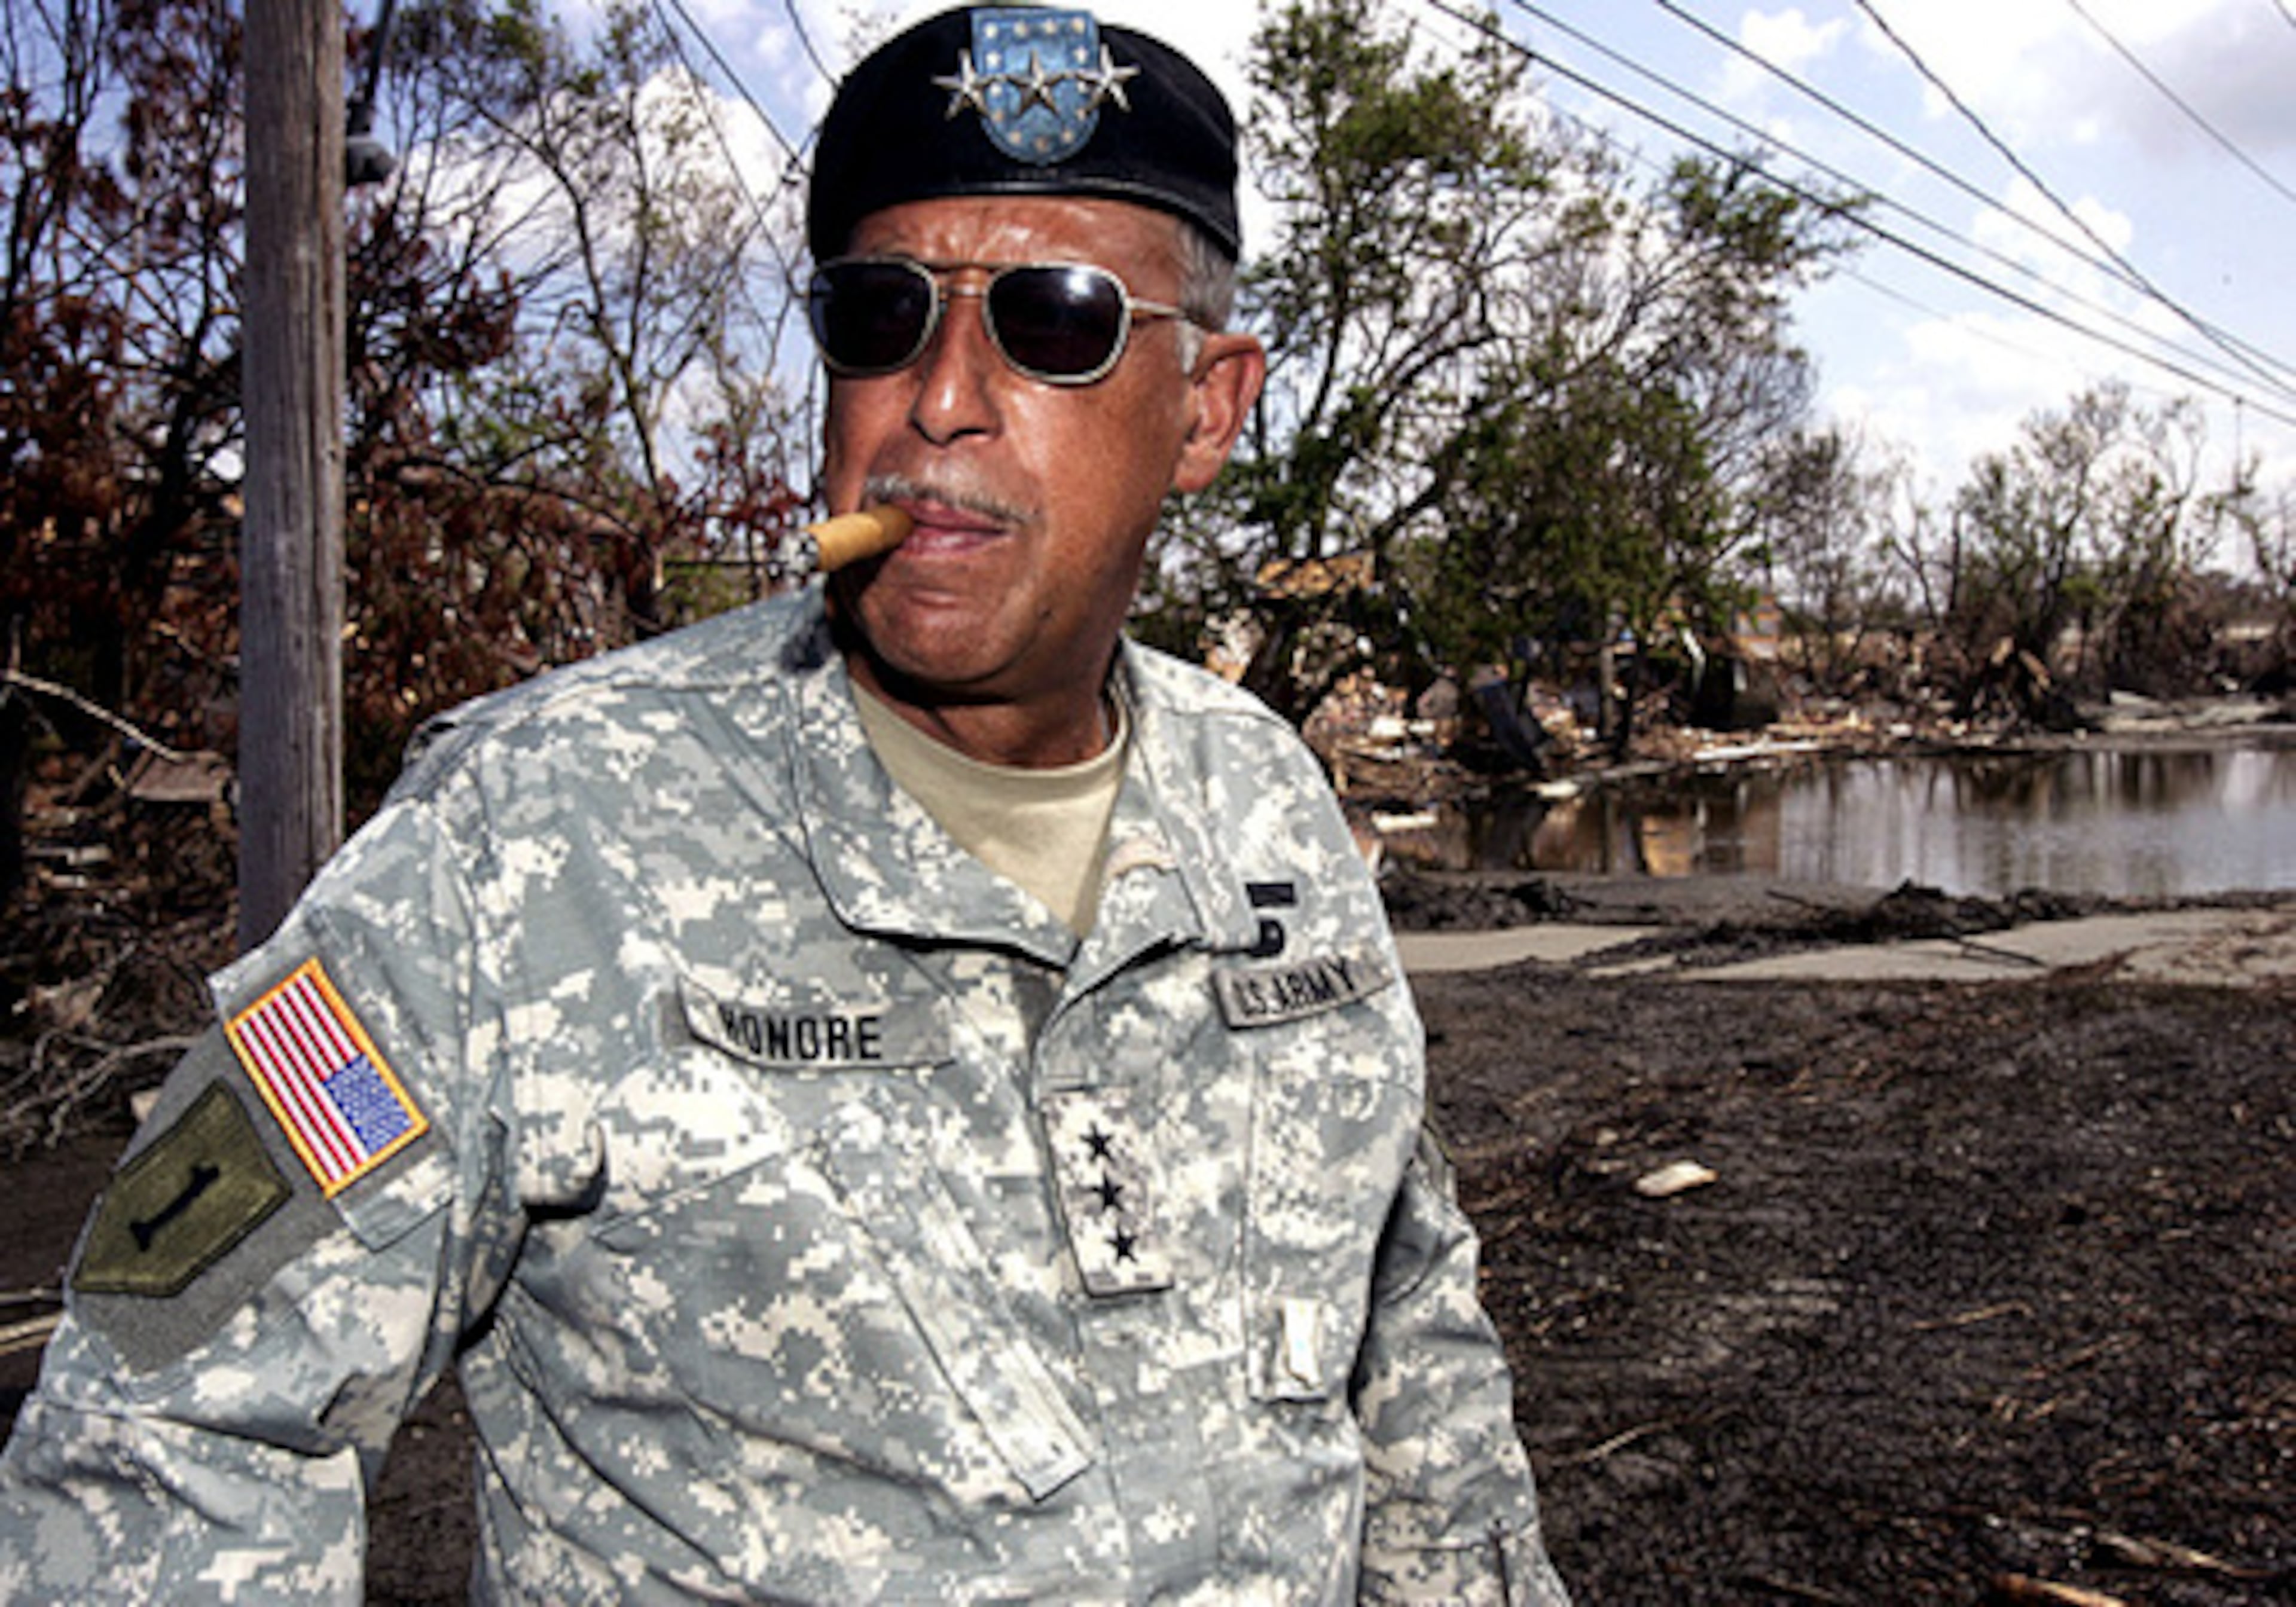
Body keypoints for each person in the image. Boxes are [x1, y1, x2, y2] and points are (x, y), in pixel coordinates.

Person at [0, 7, 1571, 1600]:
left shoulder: (1269, 807)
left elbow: (1414, 1343)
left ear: (1207, 407)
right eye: (878, 315)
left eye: (1054, 320)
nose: (940, 399)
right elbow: (163, 1418)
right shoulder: (528, 836)